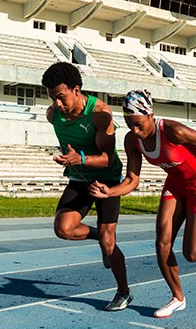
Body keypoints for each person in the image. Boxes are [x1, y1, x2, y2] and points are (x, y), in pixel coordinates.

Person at [89, 89, 196, 318]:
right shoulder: (132, 140)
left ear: (150, 115)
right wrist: (110, 192)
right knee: (162, 244)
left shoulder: (174, 130)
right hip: (175, 185)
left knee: (192, 254)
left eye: (138, 124)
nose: (135, 130)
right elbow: (132, 180)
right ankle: (178, 298)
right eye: (129, 124)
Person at [42, 62, 132, 311]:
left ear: (76, 90)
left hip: (106, 180)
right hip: (79, 177)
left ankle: (124, 292)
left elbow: (108, 158)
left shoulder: (100, 114)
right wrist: (70, 160)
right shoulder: (53, 115)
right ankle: (100, 237)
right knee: (63, 228)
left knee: (109, 242)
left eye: (61, 98)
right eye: (53, 99)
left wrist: (79, 158)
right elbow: (66, 140)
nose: (57, 105)